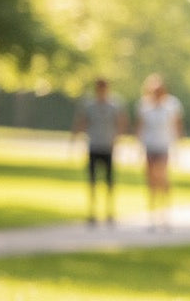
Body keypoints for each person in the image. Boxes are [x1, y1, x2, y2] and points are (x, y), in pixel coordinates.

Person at [71, 78, 127, 225]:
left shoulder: (115, 104)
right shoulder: (89, 105)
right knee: (92, 181)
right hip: (94, 145)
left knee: (109, 181)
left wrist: (118, 140)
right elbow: (82, 121)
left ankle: (109, 211)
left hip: (108, 146)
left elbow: (121, 123)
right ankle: (92, 211)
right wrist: (75, 138)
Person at [135, 74, 184, 230]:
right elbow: (140, 128)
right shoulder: (144, 106)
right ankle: (152, 215)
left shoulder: (172, 105)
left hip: (163, 146)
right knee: (151, 181)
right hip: (150, 146)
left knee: (162, 179)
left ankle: (165, 215)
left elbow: (177, 126)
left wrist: (177, 146)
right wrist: (138, 147)